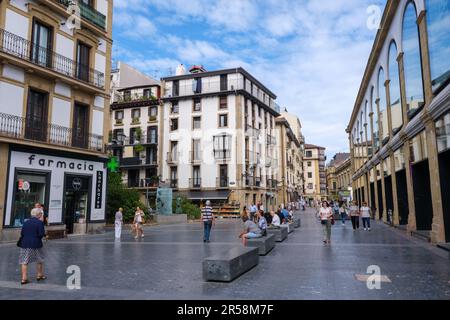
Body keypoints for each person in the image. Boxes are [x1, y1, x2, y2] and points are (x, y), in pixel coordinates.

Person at [18, 208, 46, 285]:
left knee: (24, 261)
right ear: (38, 214)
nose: (41, 215)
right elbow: (41, 234)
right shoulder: (40, 223)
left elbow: (22, 233)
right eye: (41, 214)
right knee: (39, 259)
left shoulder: (26, 222)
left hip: (25, 244)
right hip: (36, 244)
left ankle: (24, 278)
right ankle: (39, 275)